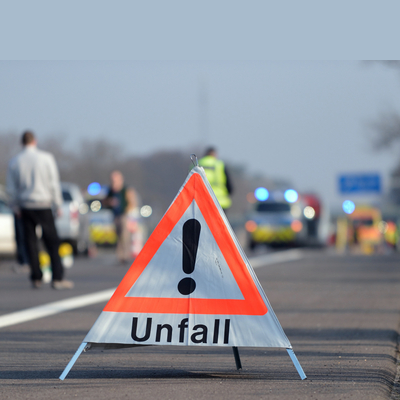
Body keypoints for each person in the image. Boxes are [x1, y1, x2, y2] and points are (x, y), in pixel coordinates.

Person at [6, 130, 74, 289]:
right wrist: (57, 203)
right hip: (43, 204)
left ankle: (36, 277)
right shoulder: (46, 158)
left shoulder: (15, 161)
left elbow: (11, 189)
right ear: (34, 141)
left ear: (22, 143)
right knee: (51, 241)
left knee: (30, 243)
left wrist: (15, 206)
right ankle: (57, 277)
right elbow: (53, 183)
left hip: (25, 206)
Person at [103, 170, 132, 263]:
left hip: (124, 215)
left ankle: (125, 255)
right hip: (115, 215)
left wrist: (128, 211)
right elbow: (104, 202)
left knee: (124, 235)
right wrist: (110, 202)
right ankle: (120, 256)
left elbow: (131, 202)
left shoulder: (126, 190)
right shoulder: (110, 191)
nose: (113, 183)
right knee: (118, 235)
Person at [198, 147, 233, 212]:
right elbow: (229, 185)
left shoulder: (197, 164)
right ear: (214, 154)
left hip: (201, 201)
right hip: (219, 201)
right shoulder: (219, 165)